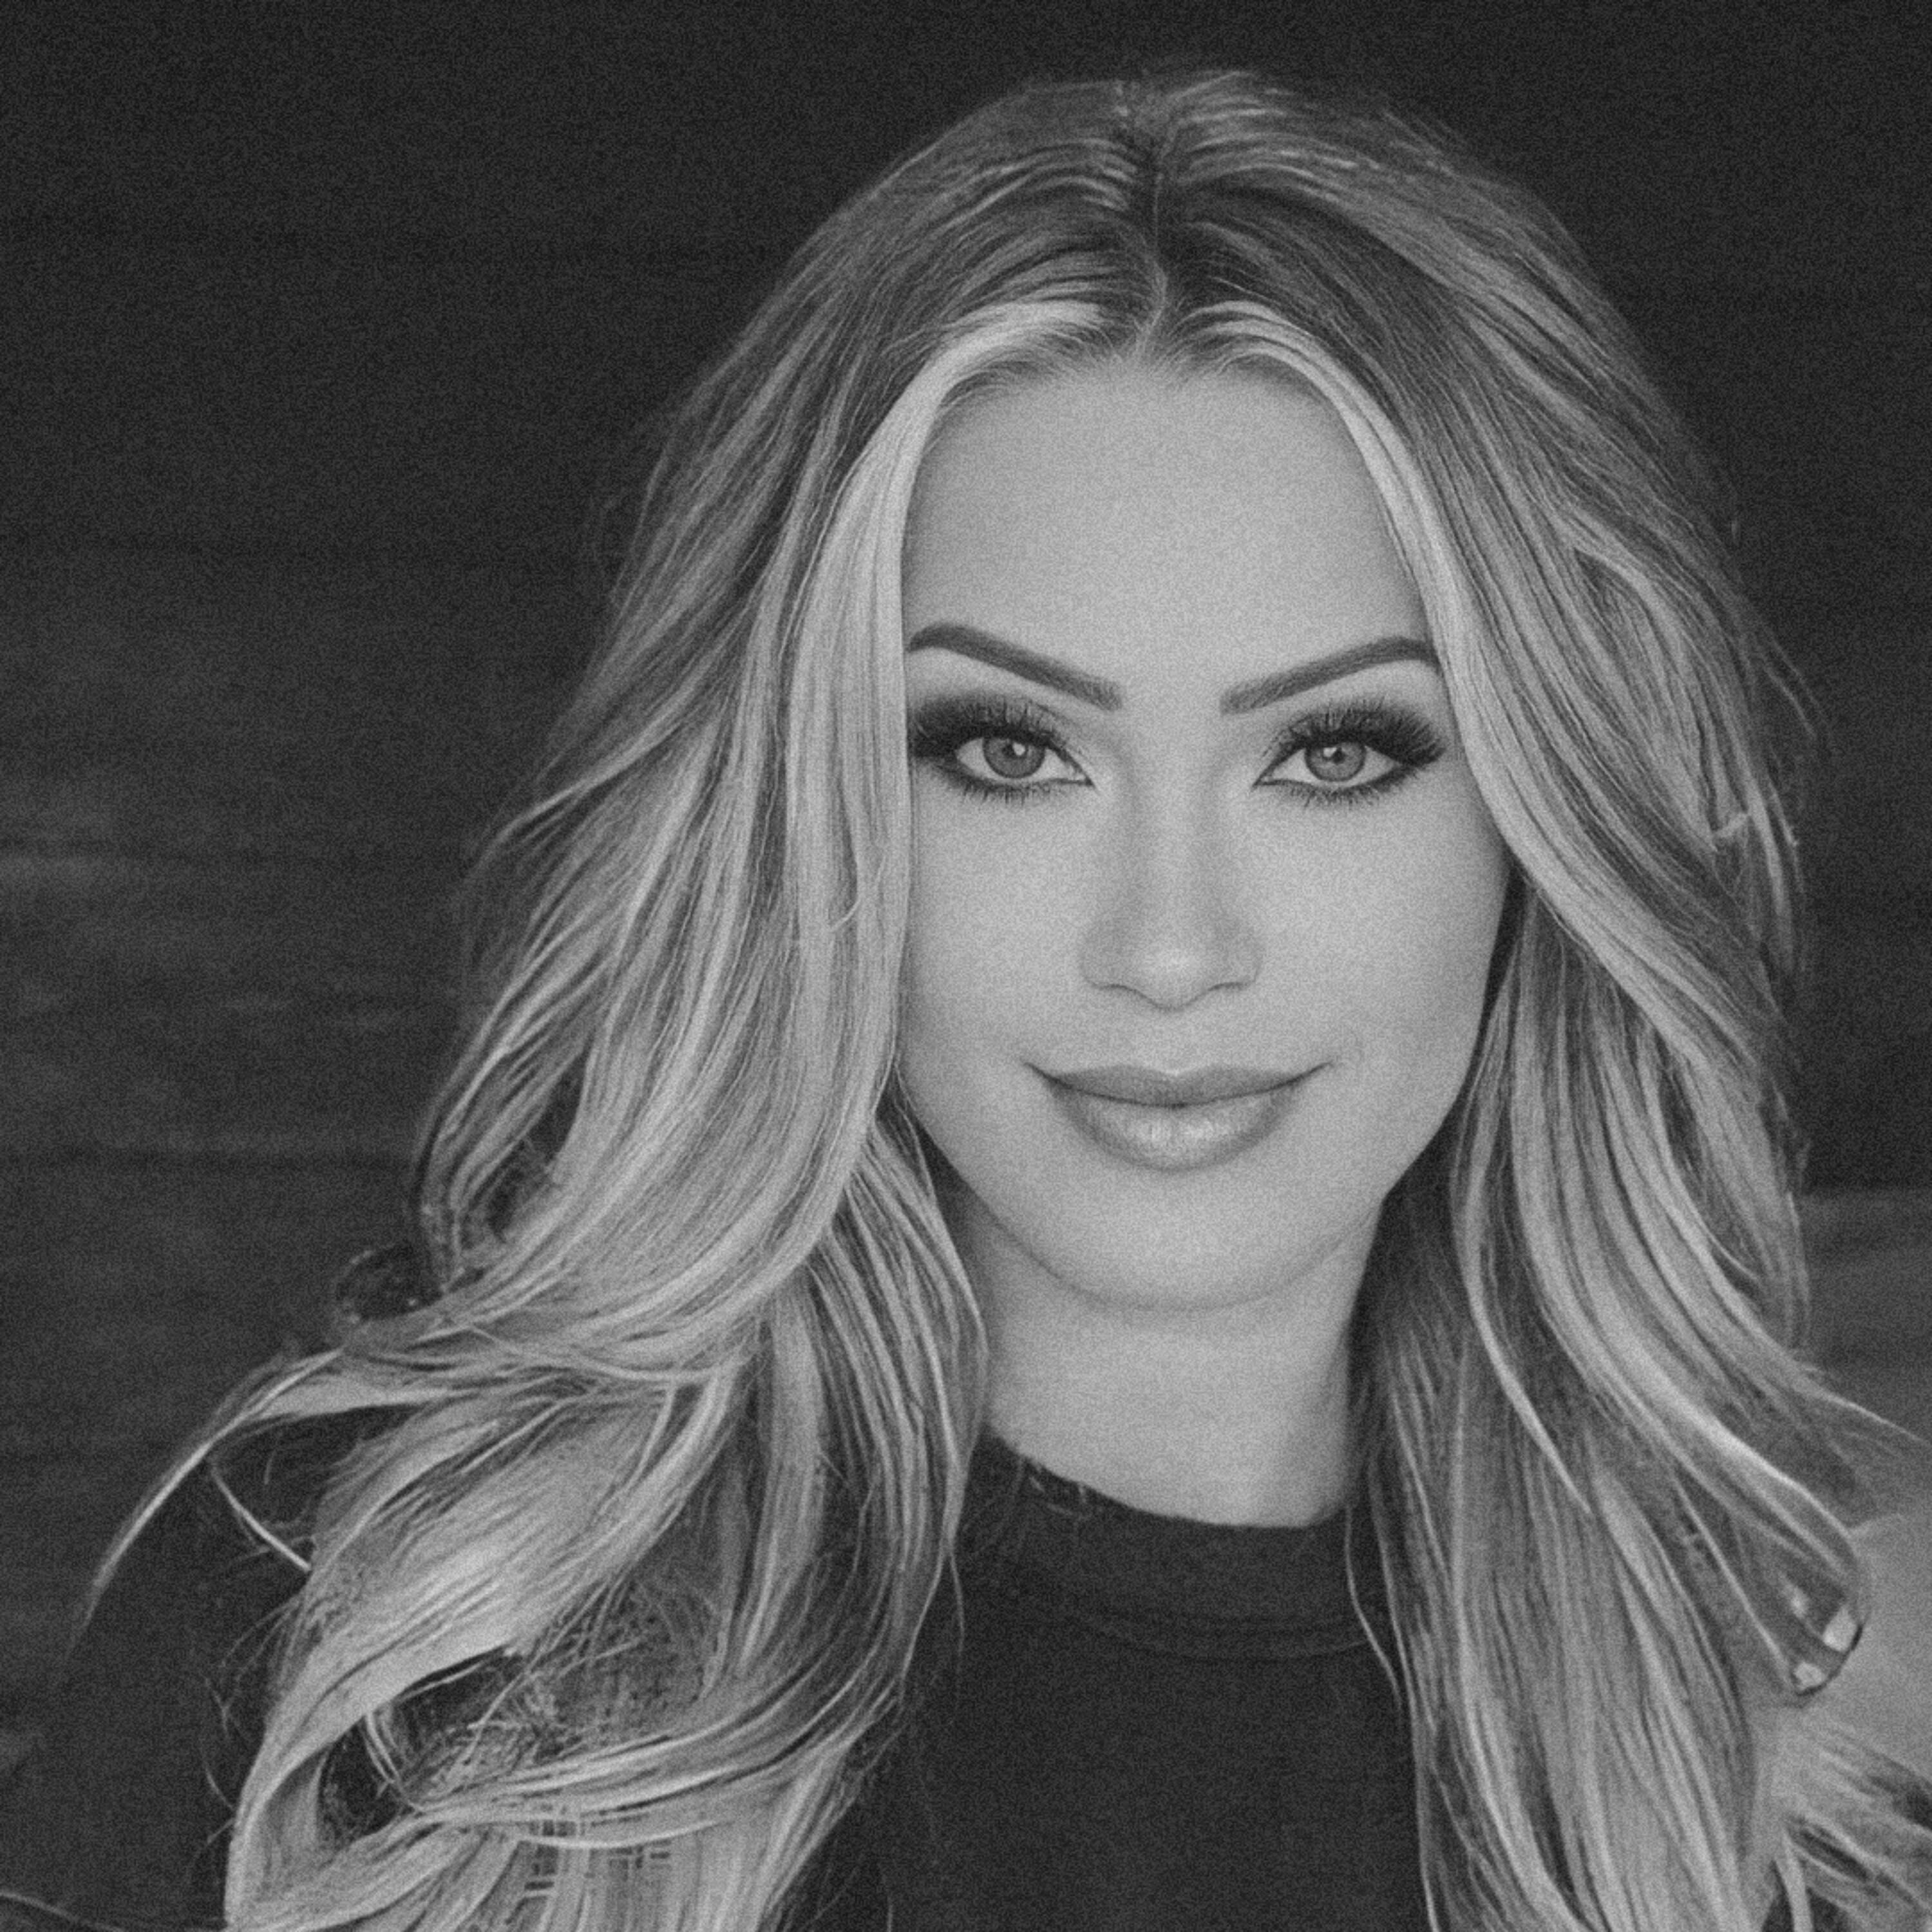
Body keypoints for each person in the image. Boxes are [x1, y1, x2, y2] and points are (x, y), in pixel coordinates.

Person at [3, 66, 1930, 1932]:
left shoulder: (1776, 1785)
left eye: (1337, 751)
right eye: (1008, 750)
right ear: (804, 802)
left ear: (1550, 816)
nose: (1169, 947)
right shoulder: (381, 1640)